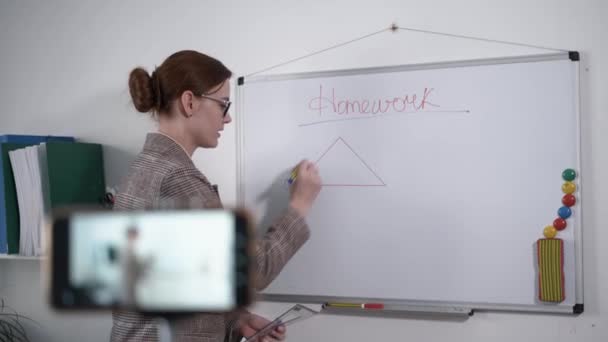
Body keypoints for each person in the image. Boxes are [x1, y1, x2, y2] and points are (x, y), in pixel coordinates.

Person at [111, 50, 322, 342]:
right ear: (189, 102)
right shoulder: (179, 180)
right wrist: (299, 206)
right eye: (223, 104)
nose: (229, 117)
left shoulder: (144, 168)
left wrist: (237, 322)